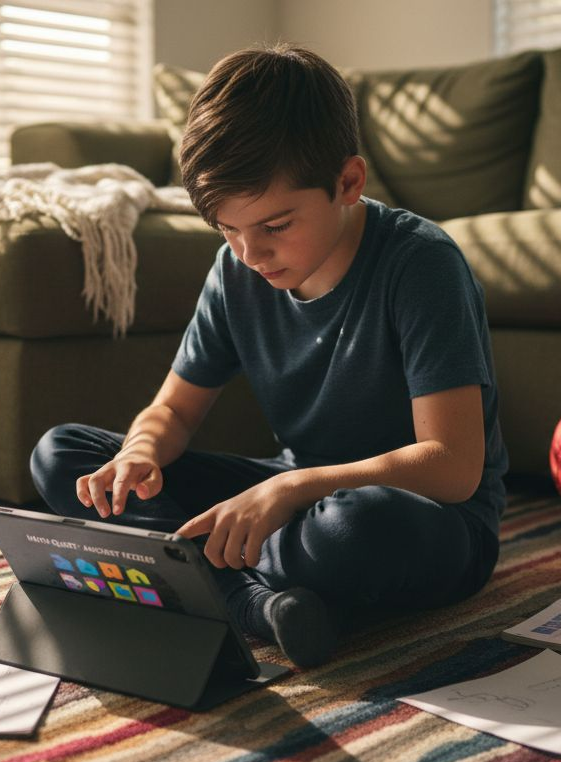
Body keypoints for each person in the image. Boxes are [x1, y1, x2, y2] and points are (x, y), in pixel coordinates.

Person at [30, 43, 508, 668]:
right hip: (288, 499)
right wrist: (140, 453)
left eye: (275, 226)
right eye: (228, 230)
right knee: (64, 453)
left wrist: (293, 487)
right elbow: (171, 413)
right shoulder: (237, 270)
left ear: (348, 182)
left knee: (352, 529)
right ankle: (250, 601)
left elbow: (453, 466)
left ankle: (194, 579)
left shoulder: (421, 264)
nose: (250, 254)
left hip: (424, 518)